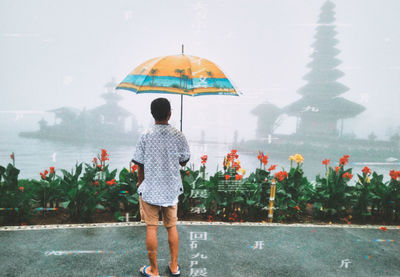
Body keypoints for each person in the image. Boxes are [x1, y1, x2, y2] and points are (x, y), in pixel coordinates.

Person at [132, 97, 190, 277]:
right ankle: (173, 267)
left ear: (152, 114)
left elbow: (139, 164)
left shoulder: (146, 135)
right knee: (171, 227)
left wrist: (141, 182)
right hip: (171, 189)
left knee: (151, 227)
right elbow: (184, 161)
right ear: (170, 113)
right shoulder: (178, 135)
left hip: (150, 189)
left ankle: (154, 270)